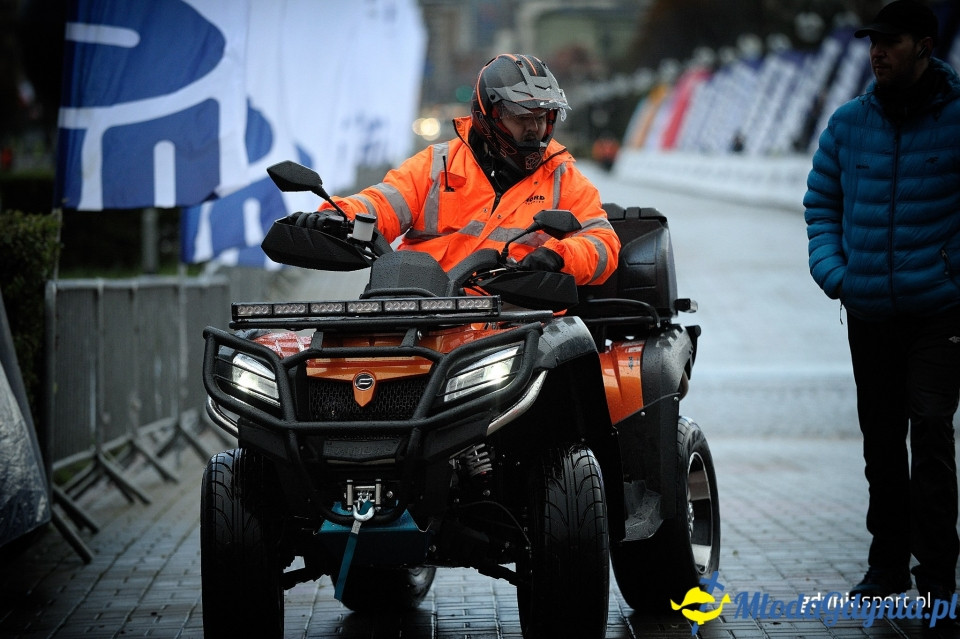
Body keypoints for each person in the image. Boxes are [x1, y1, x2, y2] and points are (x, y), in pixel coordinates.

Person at [803, 0, 960, 613]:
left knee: (929, 427)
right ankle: (887, 564)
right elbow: (821, 204)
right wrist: (836, 273)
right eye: (873, 42)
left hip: (939, 312)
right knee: (880, 440)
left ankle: (939, 572)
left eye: (891, 42)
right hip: (868, 310)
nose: (878, 52)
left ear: (925, 44)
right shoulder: (847, 123)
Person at [294, 53, 620, 286]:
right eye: (521, 119)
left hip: (516, 323)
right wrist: (338, 216)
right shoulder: (438, 164)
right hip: (423, 313)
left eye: (541, 118)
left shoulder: (564, 176)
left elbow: (603, 243)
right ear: (488, 117)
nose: (534, 129)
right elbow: (381, 203)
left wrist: (559, 256)